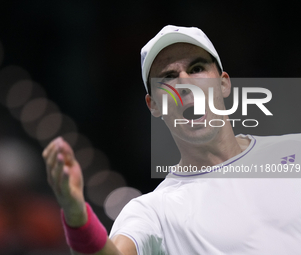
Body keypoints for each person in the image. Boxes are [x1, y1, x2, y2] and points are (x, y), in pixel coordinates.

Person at [42, 25, 301, 254]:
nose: (184, 82)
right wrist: (77, 217)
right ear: (153, 105)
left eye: (197, 68)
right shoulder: (154, 212)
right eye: (168, 77)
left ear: (223, 84)